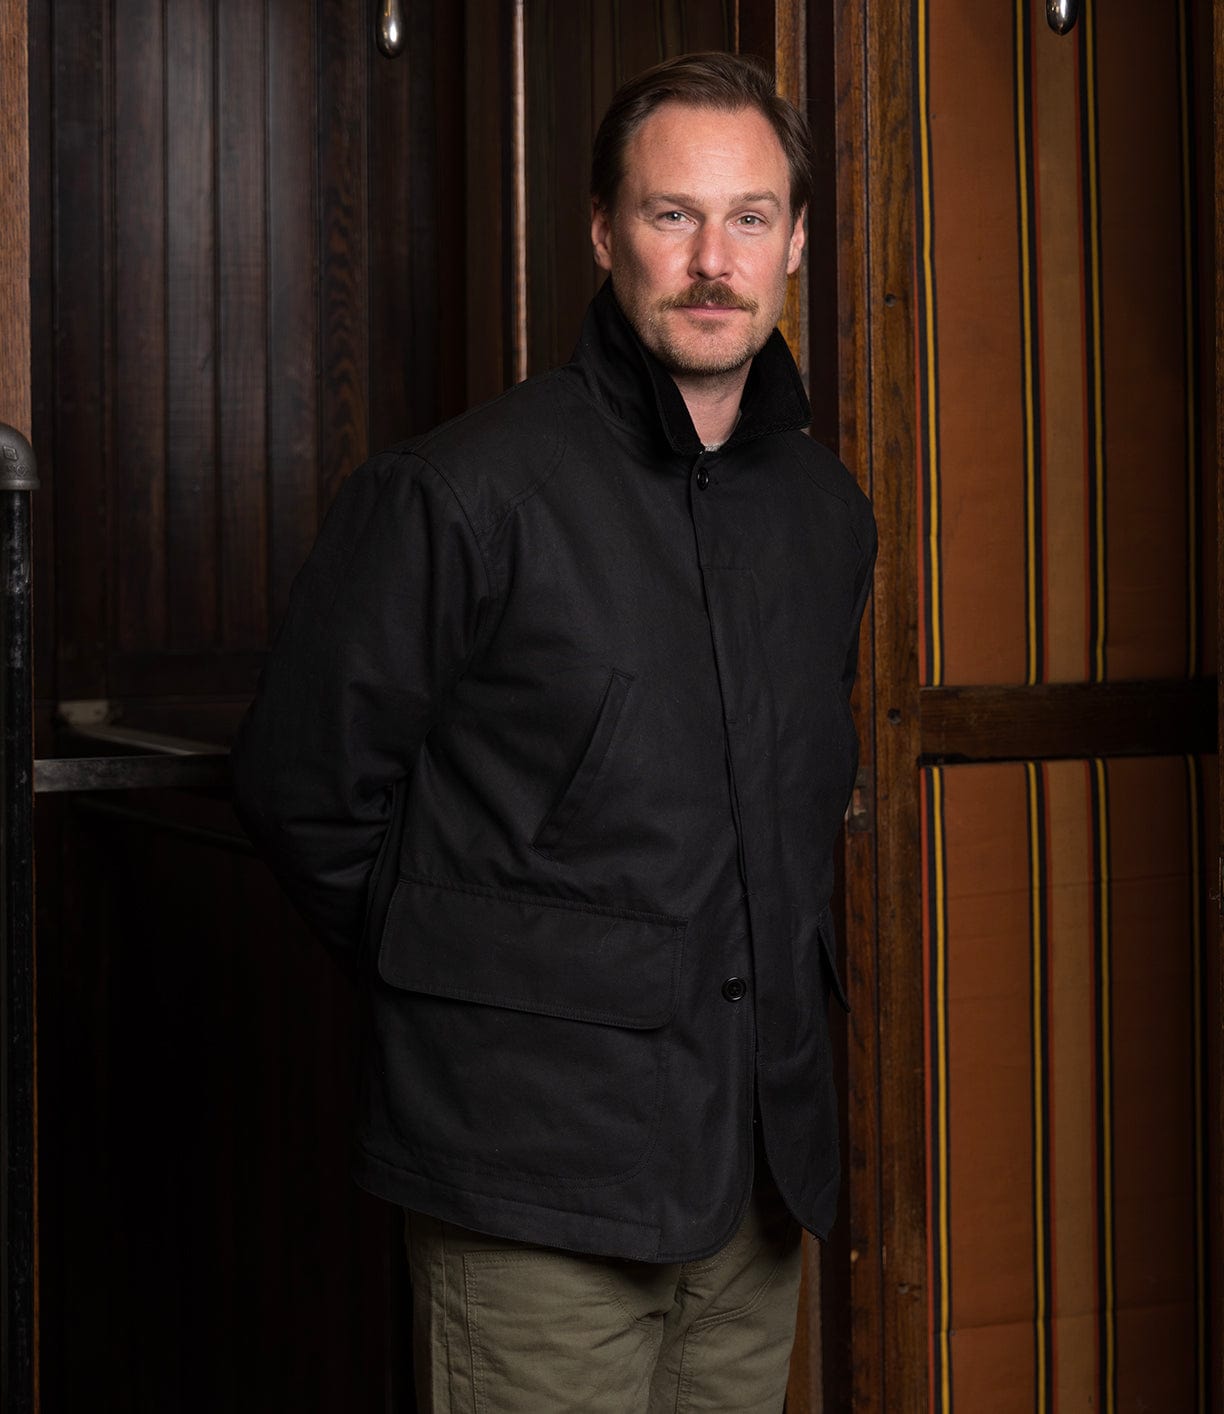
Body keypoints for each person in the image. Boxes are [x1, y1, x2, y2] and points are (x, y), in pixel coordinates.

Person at [232, 51, 875, 1414]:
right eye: (670, 215)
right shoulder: (455, 495)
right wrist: (494, 993)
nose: (713, 258)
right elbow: (302, 791)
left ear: (799, 243)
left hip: (756, 1179)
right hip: (532, 1179)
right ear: (601, 231)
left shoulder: (828, 515)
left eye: (750, 217)